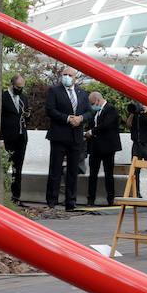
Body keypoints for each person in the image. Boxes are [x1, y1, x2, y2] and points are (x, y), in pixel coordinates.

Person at [44, 67, 88, 210]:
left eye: (70, 75)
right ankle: (52, 201)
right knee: (55, 170)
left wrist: (80, 118)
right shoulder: (54, 91)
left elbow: (89, 112)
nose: (67, 77)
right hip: (59, 136)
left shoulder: (82, 93)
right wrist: (68, 118)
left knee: (73, 171)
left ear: (75, 78)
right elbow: (50, 110)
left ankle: (71, 202)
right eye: (65, 75)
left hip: (76, 138)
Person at [84, 91, 122, 205]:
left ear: (98, 100)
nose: (92, 106)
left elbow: (106, 125)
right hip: (95, 147)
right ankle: (91, 199)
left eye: (92, 103)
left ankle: (111, 199)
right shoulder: (95, 112)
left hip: (108, 147)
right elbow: (92, 124)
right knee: (92, 174)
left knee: (108, 174)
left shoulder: (111, 109)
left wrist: (92, 131)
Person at [0, 74, 29, 206]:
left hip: (21, 137)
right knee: (4, 167)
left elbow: (26, 120)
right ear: (12, 85)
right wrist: (0, 139)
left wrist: (27, 115)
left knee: (18, 168)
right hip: (7, 138)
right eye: (18, 87)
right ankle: (2, 195)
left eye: (22, 87)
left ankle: (16, 197)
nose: (20, 90)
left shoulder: (23, 97)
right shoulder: (3, 97)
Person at [124, 99, 147, 200]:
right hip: (136, 145)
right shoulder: (133, 111)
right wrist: (132, 113)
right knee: (135, 171)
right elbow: (127, 125)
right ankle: (137, 193)